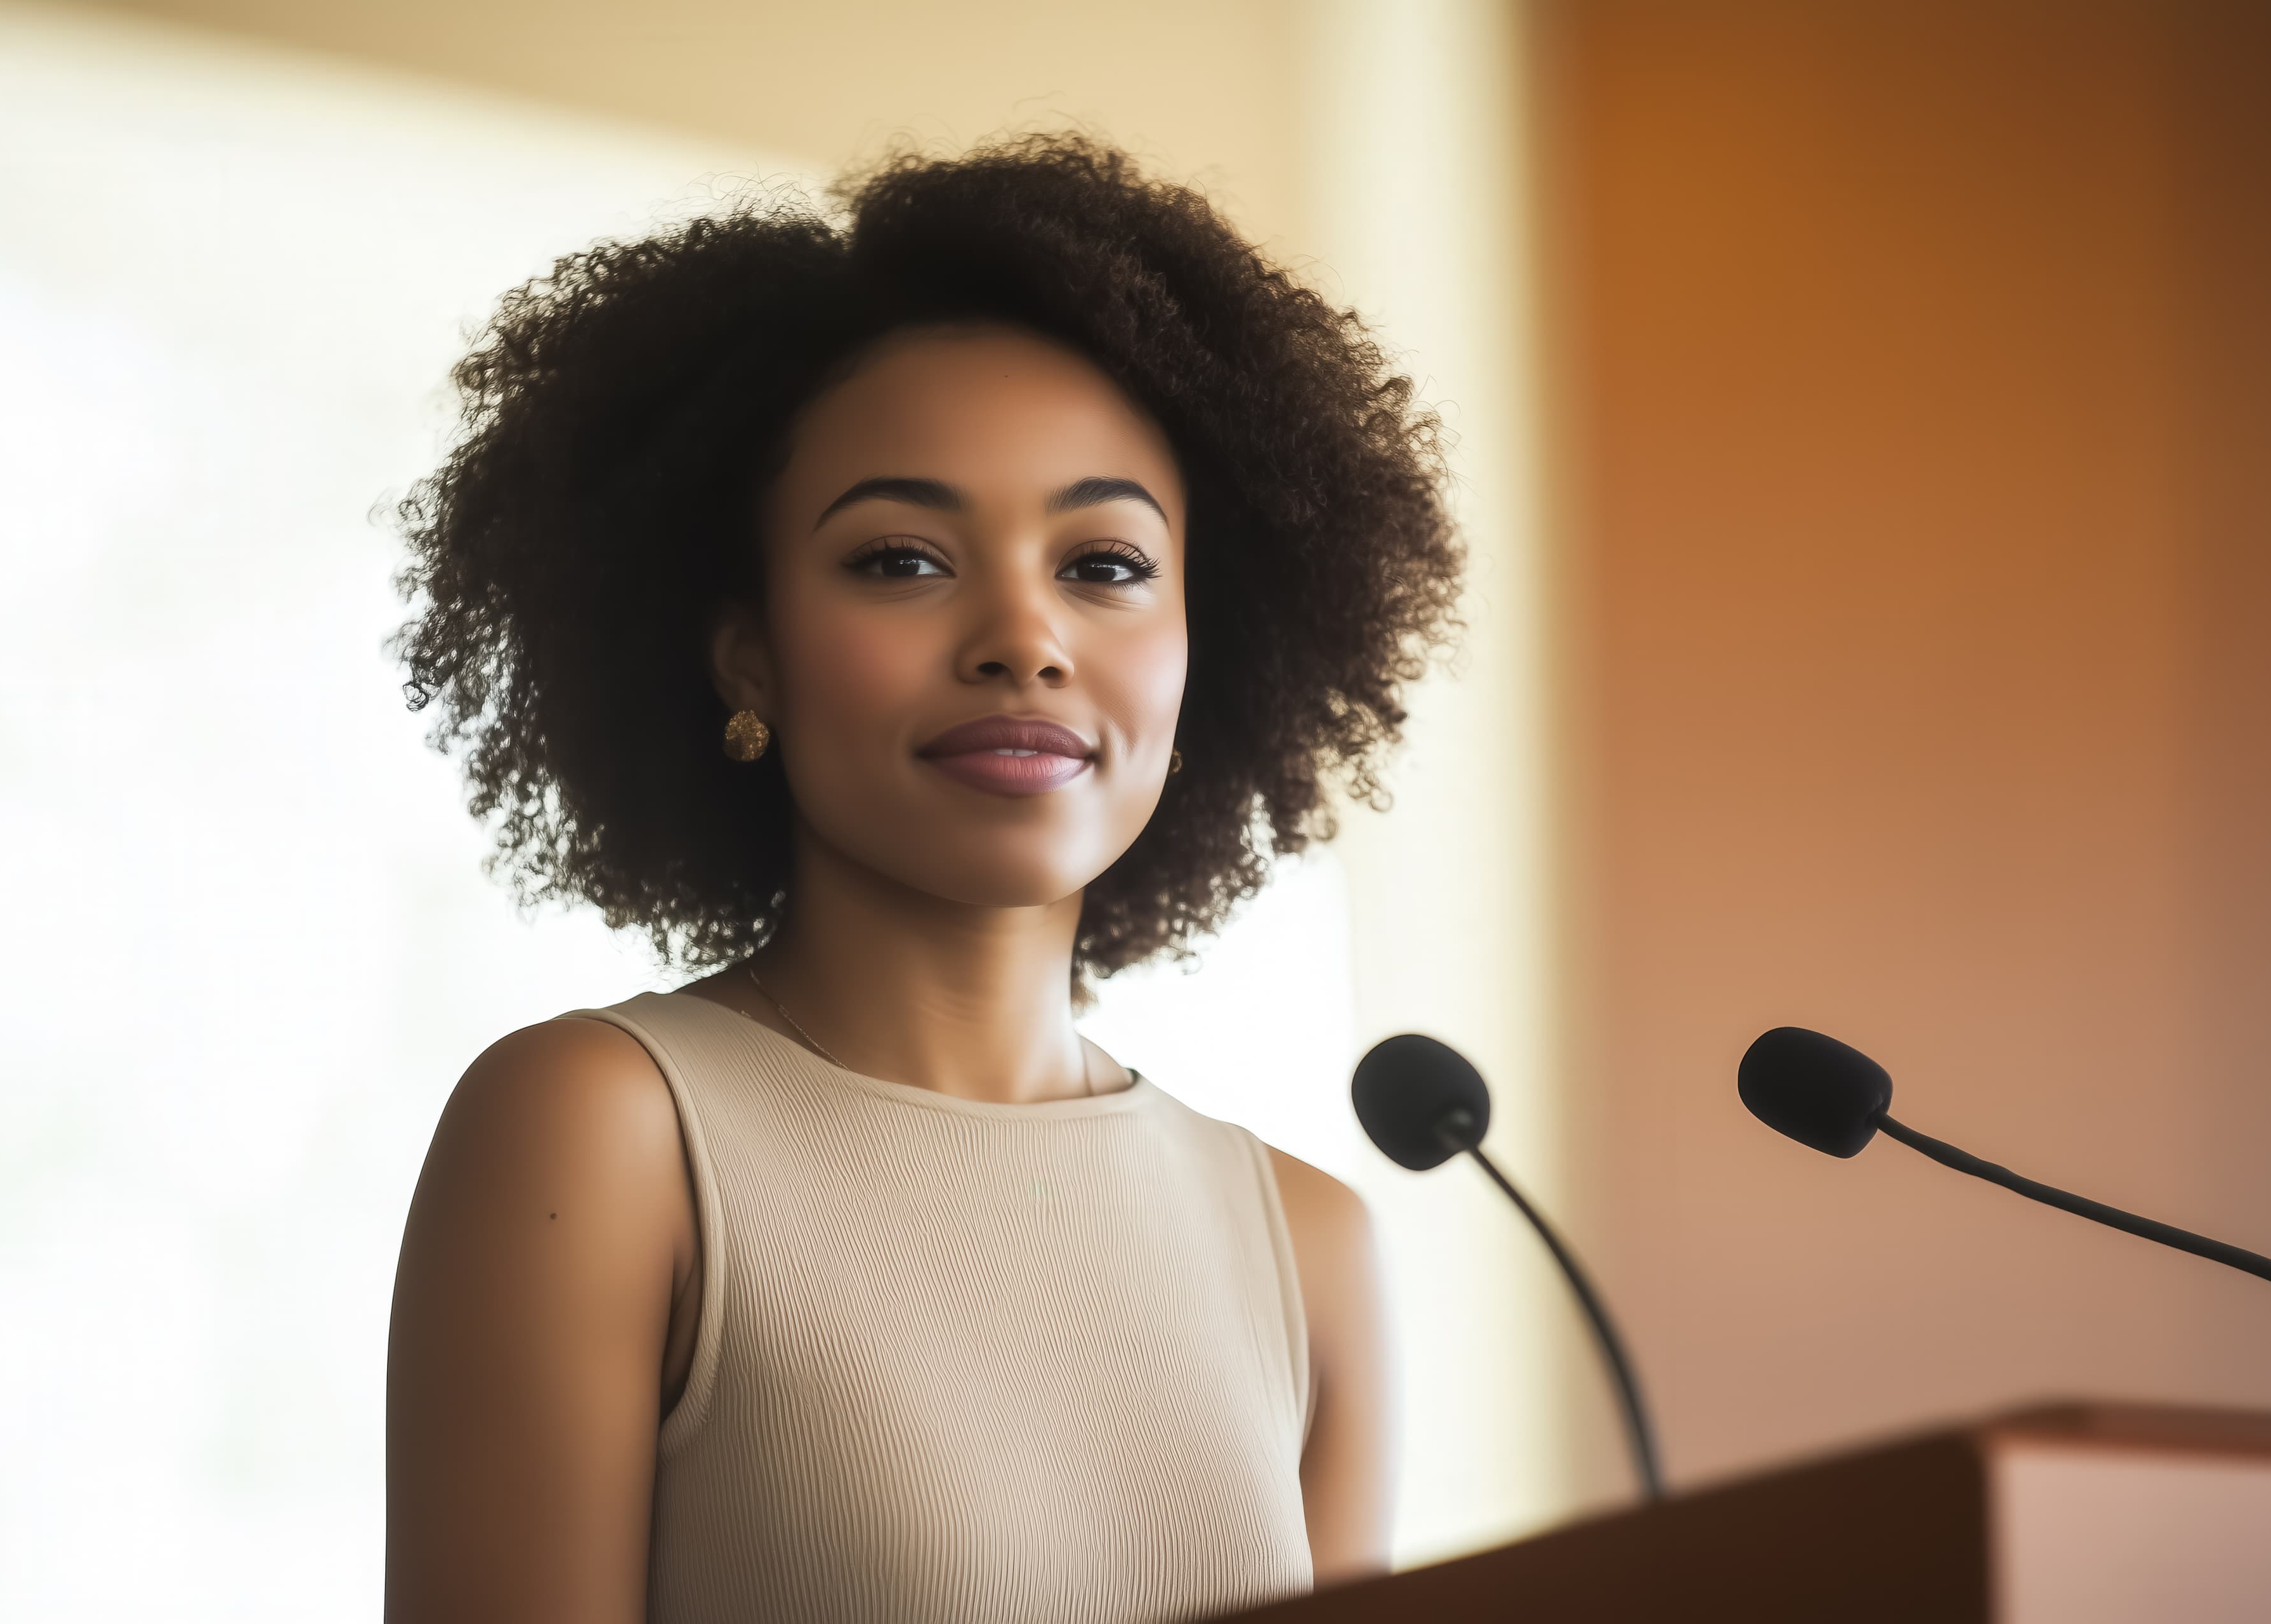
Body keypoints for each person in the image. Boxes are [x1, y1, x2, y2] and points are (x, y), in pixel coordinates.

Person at [383, 134, 1463, 1624]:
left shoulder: (1310, 1247)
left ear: (1215, 644)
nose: (1025, 635)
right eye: (900, 558)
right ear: (744, 651)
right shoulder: (605, 1133)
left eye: (1106, 565)